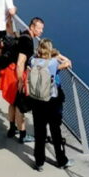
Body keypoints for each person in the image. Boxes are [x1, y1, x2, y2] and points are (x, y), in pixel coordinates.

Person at [27, 38, 72, 170]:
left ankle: (39, 162)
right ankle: (61, 160)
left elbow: (35, 57)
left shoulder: (33, 61)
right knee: (55, 131)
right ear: (50, 50)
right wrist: (57, 54)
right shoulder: (52, 63)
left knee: (39, 132)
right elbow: (66, 62)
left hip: (36, 100)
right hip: (51, 101)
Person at [12, 16, 45, 142]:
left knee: (14, 104)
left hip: (15, 73)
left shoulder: (24, 35)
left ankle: (13, 129)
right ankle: (23, 135)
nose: (41, 31)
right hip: (20, 76)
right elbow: (21, 62)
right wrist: (21, 80)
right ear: (32, 27)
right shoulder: (27, 41)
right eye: (39, 28)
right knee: (21, 106)